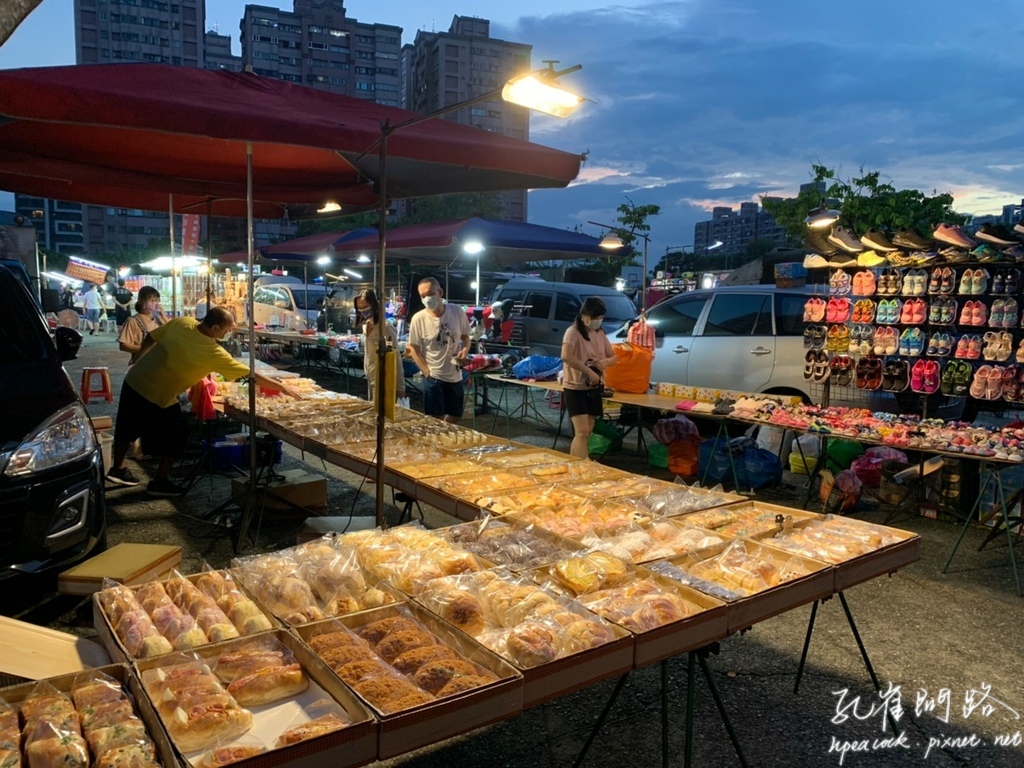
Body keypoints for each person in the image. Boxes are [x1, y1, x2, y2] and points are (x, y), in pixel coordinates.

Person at [106, 306, 300, 497]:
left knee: (126, 426)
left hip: (135, 379)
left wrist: (140, 358)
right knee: (177, 436)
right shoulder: (213, 351)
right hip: (160, 394)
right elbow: (251, 375)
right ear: (215, 329)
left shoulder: (183, 322)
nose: (229, 332)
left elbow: (151, 337)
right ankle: (160, 482)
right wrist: (282, 387)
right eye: (227, 329)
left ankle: (118, 468)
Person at [560, 296, 618, 459]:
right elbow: (566, 356)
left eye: (600, 318)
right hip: (575, 387)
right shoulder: (573, 332)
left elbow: (614, 357)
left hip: (594, 387)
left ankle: (577, 463)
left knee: (588, 430)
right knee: (582, 431)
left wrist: (604, 362)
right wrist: (588, 371)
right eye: (595, 318)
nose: (598, 321)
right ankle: (582, 464)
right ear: (585, 315)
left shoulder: (600, 333)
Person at [406, 277, 470, 423]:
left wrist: (464, 351)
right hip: (433, 376)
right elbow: (414, 349)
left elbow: (466, 338)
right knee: (434, 418)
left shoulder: (457, 312)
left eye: (430, 294)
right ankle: (437, 441)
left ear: (440, 292)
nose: (427, 299)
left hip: (455, 375)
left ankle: (445, 436)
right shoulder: (418, 318)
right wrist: (427, 372)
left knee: (455, 415)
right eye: (423, 296)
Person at [355, 288, 405, 403]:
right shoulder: (366, 325)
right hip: (371, 377)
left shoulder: (385, 328)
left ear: (374, 305)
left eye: (366, 306)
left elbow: (395, 355)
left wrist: (400, 386)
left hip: (385, 379)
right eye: (360, 307)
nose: (363, 310)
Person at [118, 286, 164, 365]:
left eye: (156, 301)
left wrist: (164, 316)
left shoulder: (159, 320)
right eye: (150, 300)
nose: (153, 304)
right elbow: (123, 346)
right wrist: (146, 348)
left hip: (160, 364)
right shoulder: (132, 321)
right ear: (141, 301)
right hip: (142, 365)